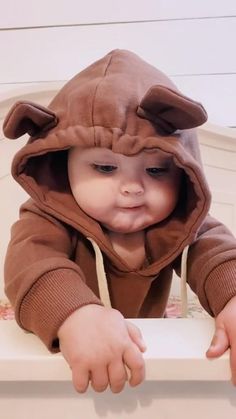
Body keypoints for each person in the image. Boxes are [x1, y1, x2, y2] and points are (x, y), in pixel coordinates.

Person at [3, 49, 236, 394]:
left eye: (156, 170)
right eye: (105, 168)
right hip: (65, 361)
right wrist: (74, 314)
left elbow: (218, 255)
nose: (132, 187)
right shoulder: (46, 218)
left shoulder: (181, 221)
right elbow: (30, 266)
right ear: (62, 165)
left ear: (185, 173)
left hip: (147, 355)